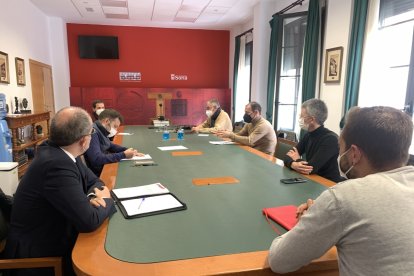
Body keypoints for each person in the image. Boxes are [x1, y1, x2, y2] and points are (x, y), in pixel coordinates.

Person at [268, 106, 414, 275]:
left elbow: (279, 261)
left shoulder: (343, 197)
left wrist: (314, 217)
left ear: (354, 154)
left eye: (340, 147)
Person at [4, 107, 116, 275]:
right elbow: (89, 221)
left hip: (54, 233)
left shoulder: (62, 151)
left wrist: (93, 196)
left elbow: (94, 181)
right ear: (84, 140)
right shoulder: (55, 165)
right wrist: (107, 199)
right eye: (91, 132)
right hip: (38, 258)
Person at [283, 99, 341, 182]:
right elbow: (288, 155)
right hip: (310, 179)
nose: (300, 119)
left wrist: (296, 159)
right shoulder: (308, 134)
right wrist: (293, 164)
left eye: (302, 116)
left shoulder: (331, 139)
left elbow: (311, 168)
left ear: (311, 120)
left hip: (326, 183)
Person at [84, 108, 143, 176]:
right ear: (107, 121)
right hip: (100, 173)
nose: (116, 130)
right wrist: (123, 155)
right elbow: (97, 159)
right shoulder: (93, 133)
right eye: (115, 126)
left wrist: (127, 150)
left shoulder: (101, 129)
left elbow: (110, 145)